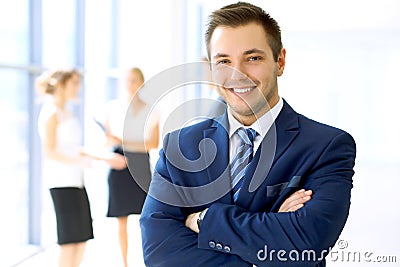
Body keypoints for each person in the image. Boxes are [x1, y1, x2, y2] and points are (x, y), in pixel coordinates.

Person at [140, 2, 356, 267]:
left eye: (253, 58)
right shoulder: (180, 145)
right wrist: (270, 233)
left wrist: (202, 220)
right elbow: (159, 251)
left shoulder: (326, 146)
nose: (238, 74)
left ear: (280, 61)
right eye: (223, 61)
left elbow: (305, 244)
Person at [37, 68, 126, 267]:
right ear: (61, 85)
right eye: (74, 83)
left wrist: (104, 155)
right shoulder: (51, 113)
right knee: (69, 243)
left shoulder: (65, 112)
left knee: (81, 239)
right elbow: (50, 152)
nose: (78, 88)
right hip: (61, 183)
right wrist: (89, 160)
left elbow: (75, 149)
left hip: (76, 182)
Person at [96, 67, 159, 267]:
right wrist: (121, 145)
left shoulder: (152, 109)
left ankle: (147, 260)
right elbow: (106, 141)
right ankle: (124, 263)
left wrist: (123, 140)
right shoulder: (111, 108)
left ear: (142, 82)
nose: (130, 84)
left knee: (146, 217)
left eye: (134, 80)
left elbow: (153, 143)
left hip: (140, 165)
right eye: (127, 80)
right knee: (120, 219)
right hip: (119, 165)